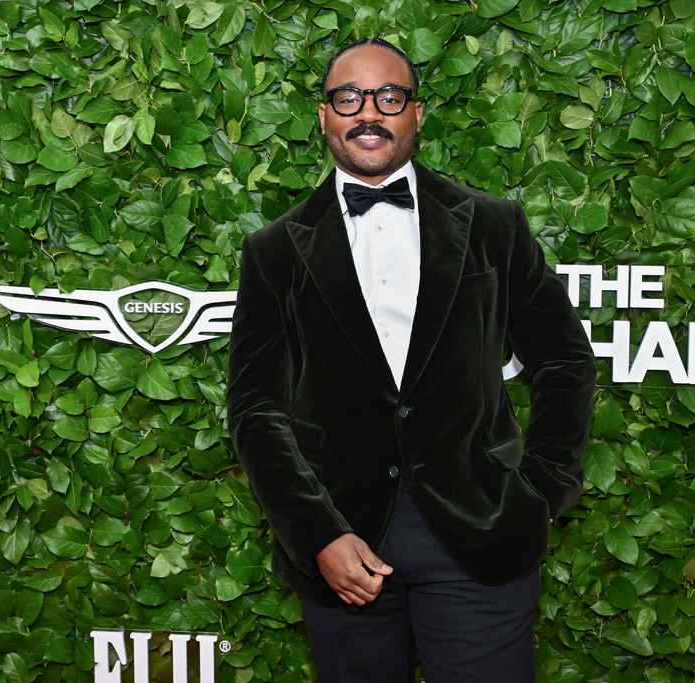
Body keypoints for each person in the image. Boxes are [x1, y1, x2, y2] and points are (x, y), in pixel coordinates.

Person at [227, 37, 596, 683]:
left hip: (480, 535)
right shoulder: (273, 252)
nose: (369, 111)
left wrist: (539, 491)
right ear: (324, 116)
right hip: (342, 543)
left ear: (416, 113)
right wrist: (316, 532)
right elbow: (257, 408)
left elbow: (565, 359)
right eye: (349, 97)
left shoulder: (493, 224)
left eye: (389, 96)